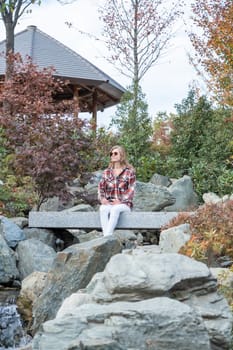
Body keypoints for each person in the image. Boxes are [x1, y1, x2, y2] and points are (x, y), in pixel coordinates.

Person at [98, 145, 136, 236]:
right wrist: (102, 199)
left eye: (115, 153)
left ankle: (107, 237)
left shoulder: (129, 172)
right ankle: (107, 237)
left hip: (124, 204)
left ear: (121, 155)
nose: (113, 155)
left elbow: (131, 190)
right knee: (102, 209)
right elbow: (101, 187)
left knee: (115, 209)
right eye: (111, 154)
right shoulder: (106, 172)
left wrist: (120, 201)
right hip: (109, 203)